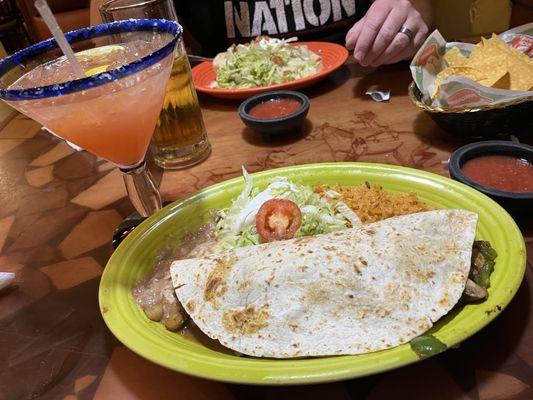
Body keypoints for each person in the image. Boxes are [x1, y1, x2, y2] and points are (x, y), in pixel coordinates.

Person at [91, 0, 433, 66]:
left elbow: (419, 13)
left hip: (360, 87)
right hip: (226, 118)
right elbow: (110, 41)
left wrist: (401, 23)